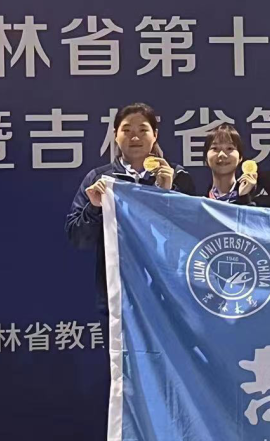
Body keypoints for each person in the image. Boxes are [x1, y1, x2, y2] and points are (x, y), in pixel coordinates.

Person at [66, 102, 197, 314]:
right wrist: (94, 207)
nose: (135, 137)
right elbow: (78, 238)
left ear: (155, 135)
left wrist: (168, 194)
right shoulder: (100, 179)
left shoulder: (177, 177)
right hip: (118, 297)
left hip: (170, 296)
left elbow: (191, 237)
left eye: (142, 130)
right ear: (115, 135)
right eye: (126, 130)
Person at [204, 123, 257, 204]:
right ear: (206, 158)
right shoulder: (199, 202)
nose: (222, 154)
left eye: (229, 148)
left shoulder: (256, 197)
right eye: (215, 148)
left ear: (240, 157)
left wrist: (244, 197)